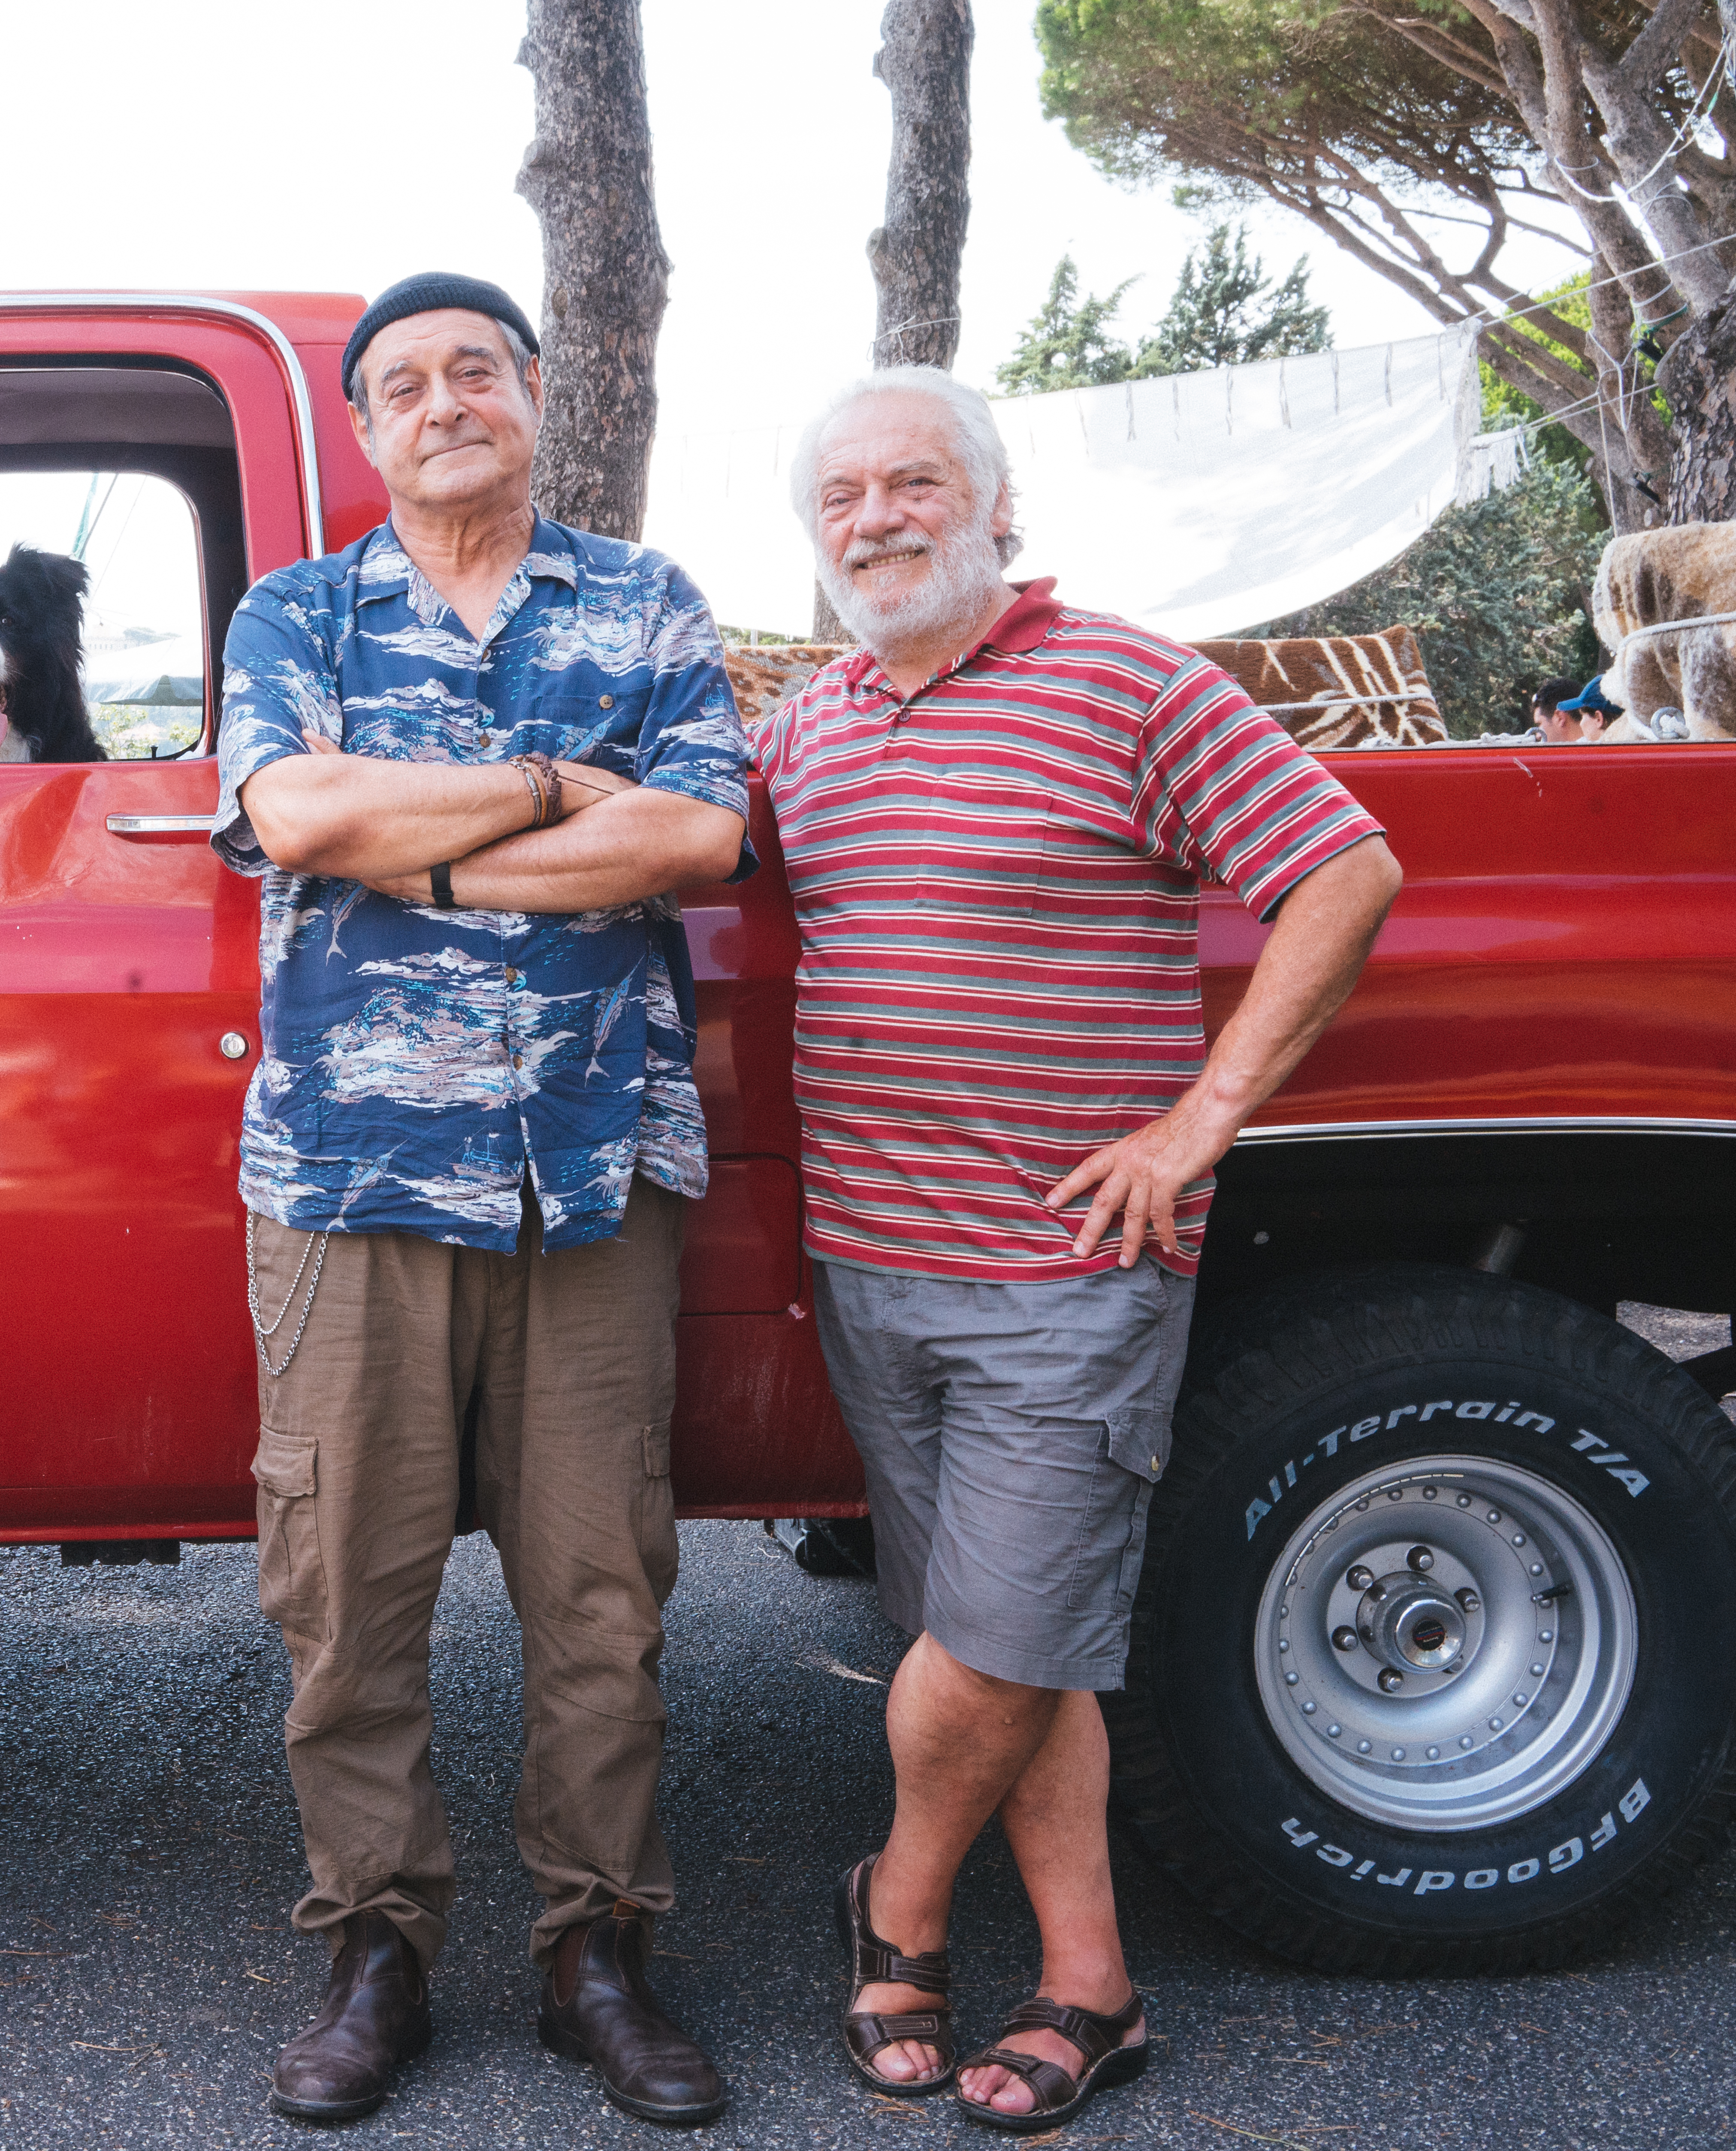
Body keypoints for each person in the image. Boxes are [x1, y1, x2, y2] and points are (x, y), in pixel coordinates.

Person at [755, 368, 1399, 2132]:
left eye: (910, 485)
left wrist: (1199, 1121)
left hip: (1062, 1272)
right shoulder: (808, 730)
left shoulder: (1121, 681)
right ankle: (1091, 1982)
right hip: (875, 1267)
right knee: (1007, 1644)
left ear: (993, 505)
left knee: (992, 1641)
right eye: (841, 500)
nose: (873, 520)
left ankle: (888, 1908)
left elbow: (1340, 867)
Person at [217, 272, 755, 2128]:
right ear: (363, 432)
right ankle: (374, 1944)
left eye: (475, 370)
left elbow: (692, 833)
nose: (441, 400)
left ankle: (592, 1949)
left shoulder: (645, 599)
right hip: (348, 1177)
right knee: (344, 1594)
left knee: (599, 1593)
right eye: (399, 384)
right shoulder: (296, 610)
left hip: (591, 1170)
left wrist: (419, 853)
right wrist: (539, 789)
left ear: (533, 397)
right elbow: (298, 821)